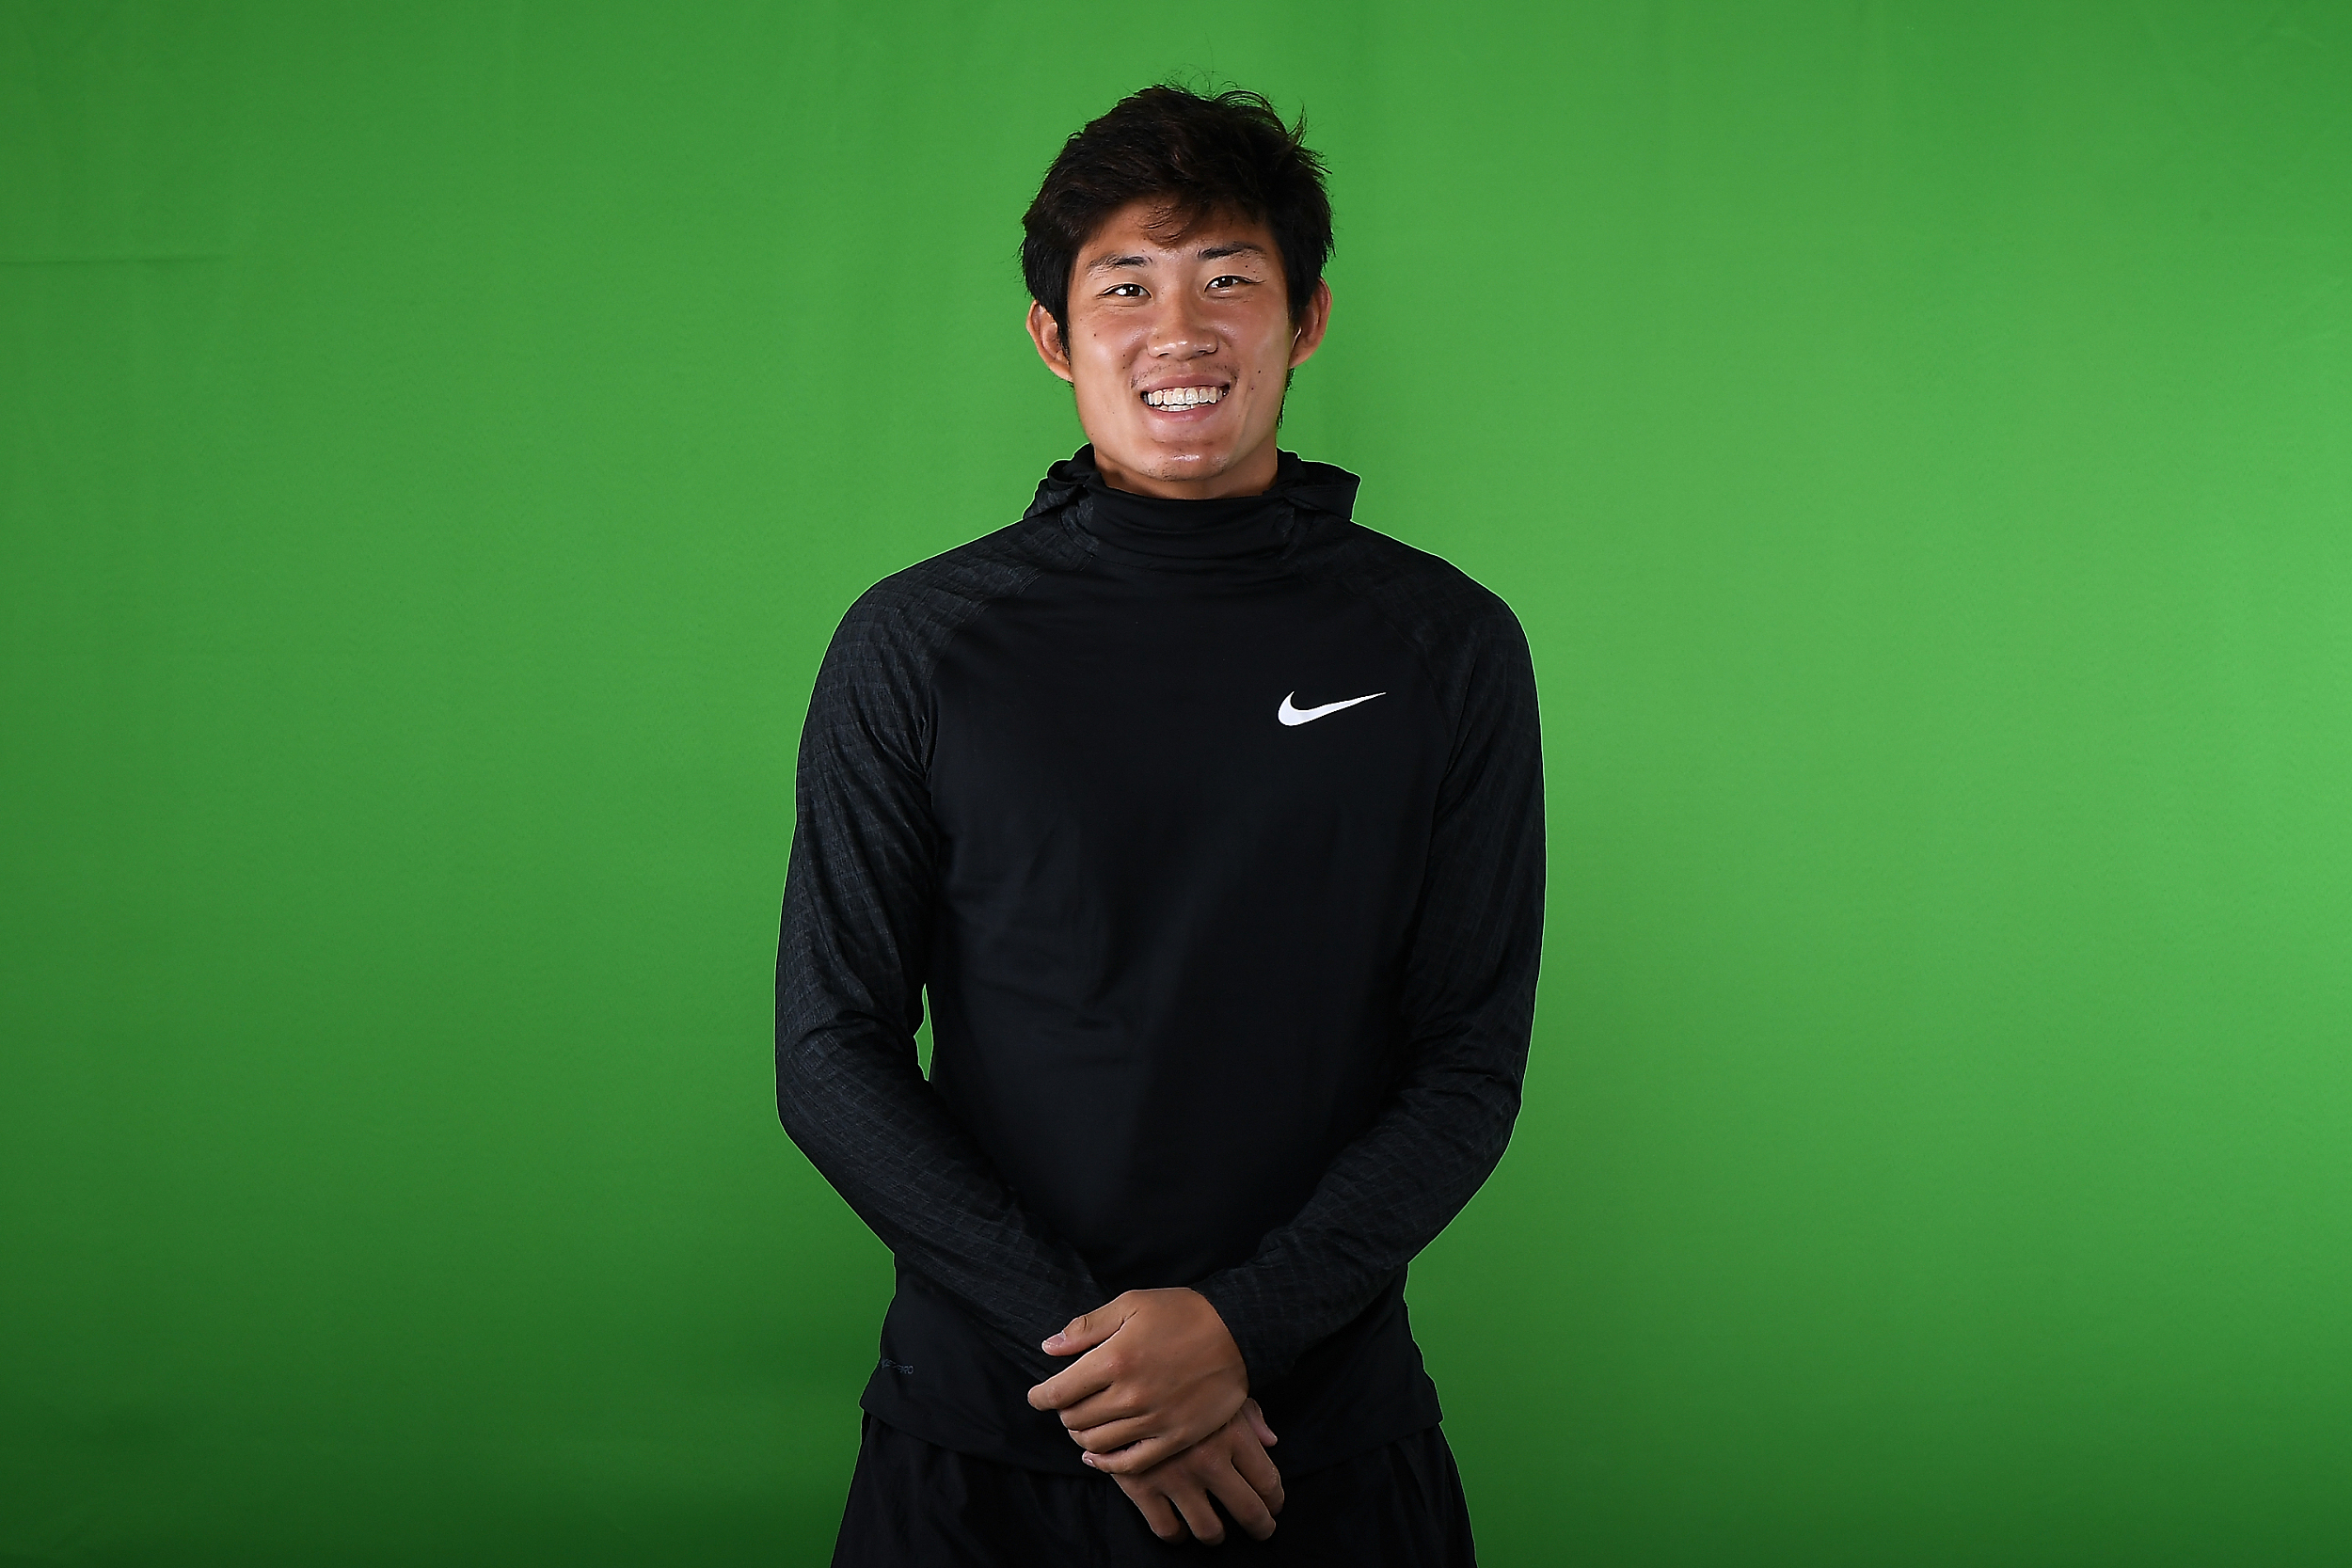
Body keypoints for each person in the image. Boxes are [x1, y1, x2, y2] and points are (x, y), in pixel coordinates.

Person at [777, 83, 1544, 1564]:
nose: (1178, 329)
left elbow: (1467, 1059)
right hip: (985, 1438)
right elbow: (829, 1050)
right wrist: (1109, 1364)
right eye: (1124, 285)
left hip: (1318, 1441)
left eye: (1228, 279)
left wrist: (1241, 1330)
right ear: (1053, 337)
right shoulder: (918, 643)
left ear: (1305, 320)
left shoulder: (1445, 645)